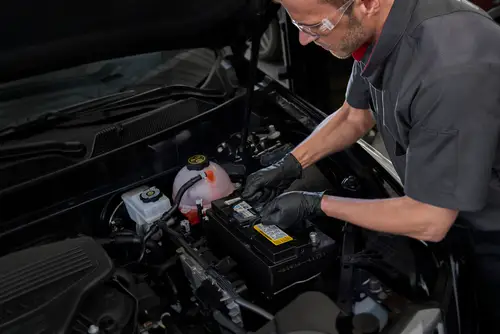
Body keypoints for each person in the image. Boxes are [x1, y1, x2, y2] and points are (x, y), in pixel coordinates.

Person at [242, 0, 500, 331]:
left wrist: (318, 204)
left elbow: (430, 218)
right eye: (297, 26)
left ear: (367, 4)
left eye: (315, 27)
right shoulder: (383, 27)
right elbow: (355, 114)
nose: (305, 40)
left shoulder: (448, 68)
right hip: (454, 203)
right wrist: (290, 163)